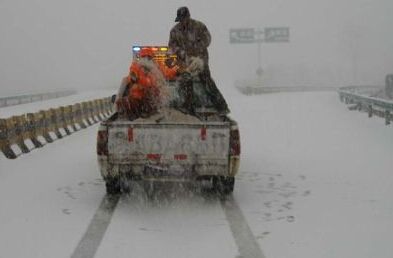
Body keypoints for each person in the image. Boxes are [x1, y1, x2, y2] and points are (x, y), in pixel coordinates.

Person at [168, 6, 230, 115]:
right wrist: (179, 53)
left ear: (188, 17)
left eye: (183, 19)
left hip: (199, 61)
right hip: (185, 63)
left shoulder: (199, 26)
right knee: (186, 82)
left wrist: (196, 48)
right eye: (180, 20)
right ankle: (188, 109)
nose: (182, 22)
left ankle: (222, 107)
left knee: (206, 81)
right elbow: (171, 47)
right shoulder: (174, 31)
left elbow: (208, 39)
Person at [116, 48, 166, 119]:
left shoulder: (155, 71)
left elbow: (164, 77)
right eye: (145, 57)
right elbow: (132, 74)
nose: (147, 59)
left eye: (148, 57)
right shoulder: (137, 68)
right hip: (140, 101)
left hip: (147, 102)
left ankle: (144, 112)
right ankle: (141, 112)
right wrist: (134, 78)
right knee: (127, 102)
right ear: (142, 57)